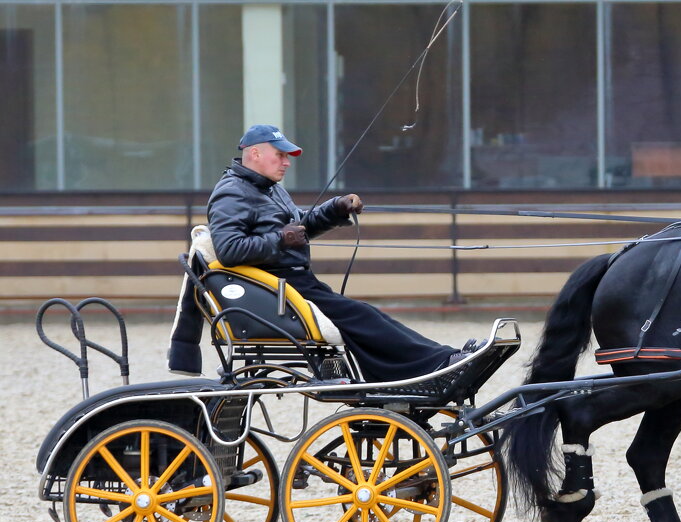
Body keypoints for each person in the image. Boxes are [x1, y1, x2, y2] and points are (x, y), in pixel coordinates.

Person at [168, 123, 468, 380]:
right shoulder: (231, 192)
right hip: (278, 289)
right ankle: (438, 363)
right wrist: (281, 239)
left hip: (294, 284)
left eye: (287, 156)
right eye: (280, 155)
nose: (287, 162)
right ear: (255, 153)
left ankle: (436, 361)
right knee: (361, 316)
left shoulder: (267, 188)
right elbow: (230, 250)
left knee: (365, 316)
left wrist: (336, 209)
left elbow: (298, 226)